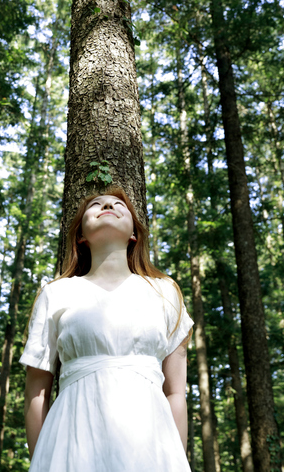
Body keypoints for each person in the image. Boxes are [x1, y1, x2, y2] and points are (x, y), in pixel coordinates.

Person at [20, 186, 193, 471]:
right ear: (81, 236)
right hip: (71, 442)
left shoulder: (166, 293)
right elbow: (36, 394)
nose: (107, 205)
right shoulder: (56, 293)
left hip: (151, 446)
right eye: (96, 204)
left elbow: (175, 393)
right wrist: (43, 460)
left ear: (134, 234)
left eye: (117, 204)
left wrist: (175, 458)